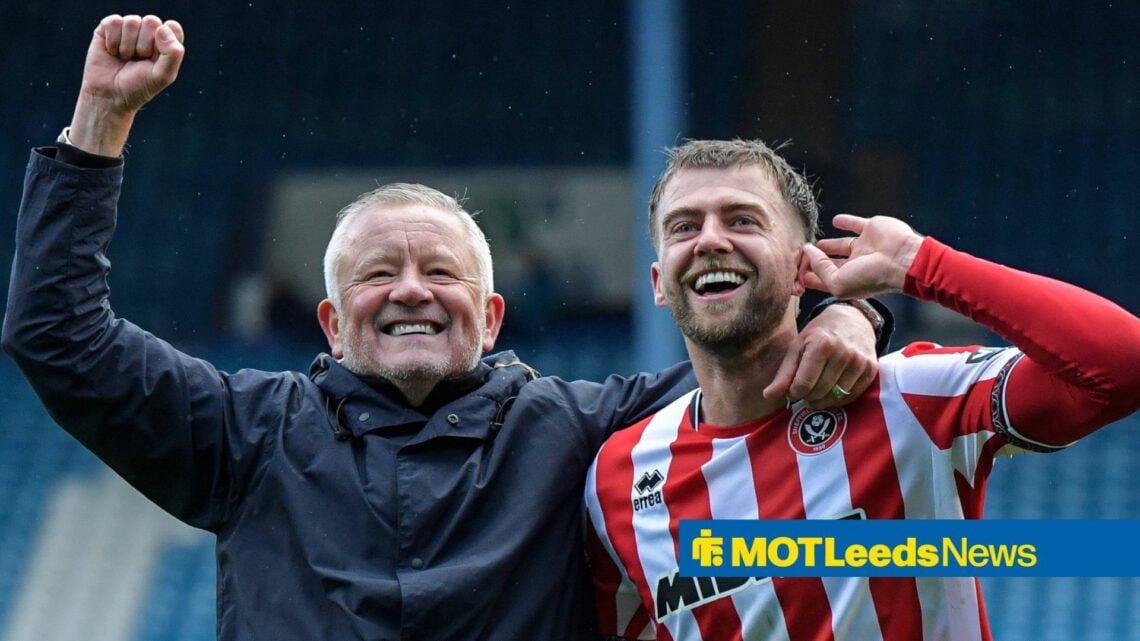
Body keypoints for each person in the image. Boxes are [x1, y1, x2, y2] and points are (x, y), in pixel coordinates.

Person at [1, 16, 892, 641]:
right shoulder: (246, 431)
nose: (409, 291)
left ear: (492, 316)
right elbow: (57, 336)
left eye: (439, 272)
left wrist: (856, 311)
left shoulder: (582, 428)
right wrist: (99, 122)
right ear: (331, 323)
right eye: (377, 274)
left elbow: (750, 346)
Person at [583, 138, 1140, 641]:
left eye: (743, 220)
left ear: (804, 267)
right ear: (658, 283)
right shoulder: (617, 479)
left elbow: (1122, 367)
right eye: (684, 227)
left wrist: (923, 265)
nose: (709, 240)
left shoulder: (912, 398)